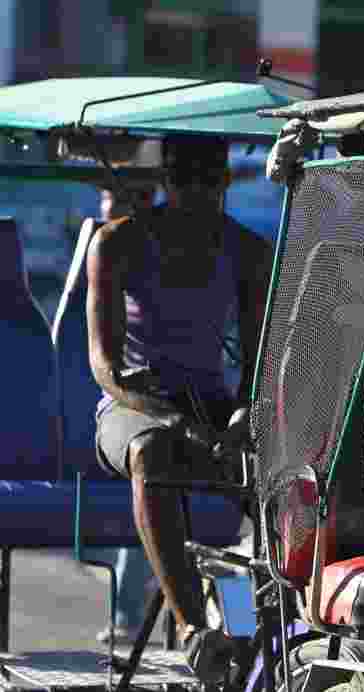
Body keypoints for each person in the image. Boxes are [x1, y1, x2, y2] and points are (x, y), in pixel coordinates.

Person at [86, 136, 272, 680]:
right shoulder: (116, 243)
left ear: (225, 183)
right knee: (154, 451)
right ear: (165, 180)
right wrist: (168, 417)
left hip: (211, 410)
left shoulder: (247, 249)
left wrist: (245, 414)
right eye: (183, 179)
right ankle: (195, 629)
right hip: (130, 411)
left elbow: (259, 363)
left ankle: (247, 633)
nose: (195, 191)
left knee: (275, 465)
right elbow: (106, 367)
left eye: (208, 180)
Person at [90, 182, 160, 647]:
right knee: (152, 461)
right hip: (129, 408)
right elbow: (104, 363)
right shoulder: (109, 251)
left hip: (183, 407)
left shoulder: (228, 252)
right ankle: (129, 614)